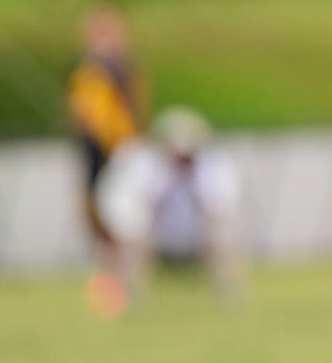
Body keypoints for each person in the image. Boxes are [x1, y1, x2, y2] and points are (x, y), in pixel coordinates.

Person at [95, 106, 244, 309]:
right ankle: (130, 297)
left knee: (223, 234)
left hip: (197, 233)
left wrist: (192, 186)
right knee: (133, 238)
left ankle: (229, 295)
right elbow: (136, 205)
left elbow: (220, 205)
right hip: (157, 234)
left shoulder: (212, 166)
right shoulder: (148, 165)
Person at [66, 4, 146, 313]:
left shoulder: (114, 70)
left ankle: (124, 284)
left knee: (121, 221)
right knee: (98, 220)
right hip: (98, 152)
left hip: (117, 154)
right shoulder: (91, 71)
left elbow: (120, 116)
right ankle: (111, 284)